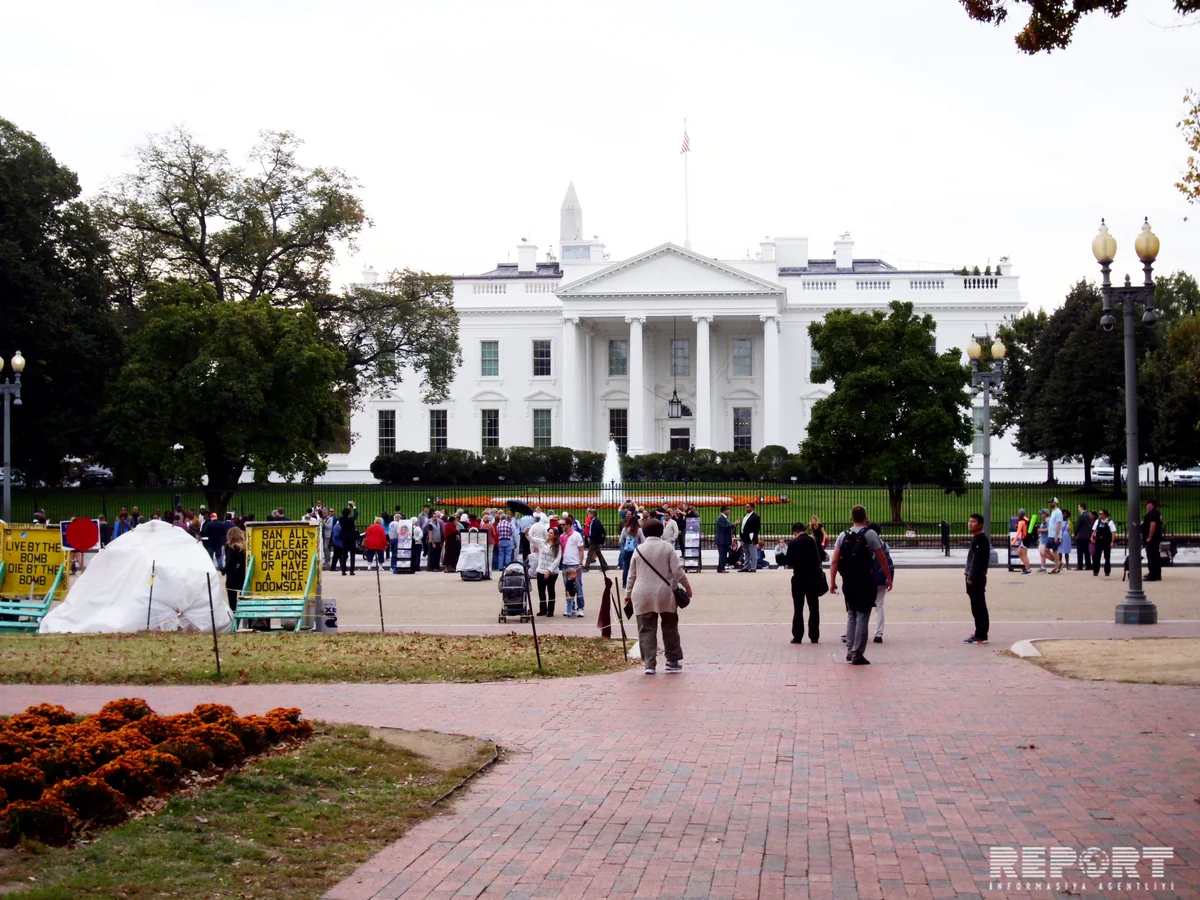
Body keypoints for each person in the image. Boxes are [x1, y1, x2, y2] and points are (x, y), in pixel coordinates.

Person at [624, 518, 692, 674]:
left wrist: (627, 594)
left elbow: (631, 575)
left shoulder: (638, 549)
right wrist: (687, 587)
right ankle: (672, 660)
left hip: (641, 594)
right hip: (665, 593)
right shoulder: (667, 548)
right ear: (661, 531)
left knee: (646, 629)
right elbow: (677, 572)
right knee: (670, 627)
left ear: (644, 532)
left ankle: (649, 664)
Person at [829, 505, 891, 665]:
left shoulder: (843, 535)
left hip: (848, 580)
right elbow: (881, 558)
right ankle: (858, 652)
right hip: (865, 579)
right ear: (865, 517)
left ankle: (850, 649)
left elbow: (834, 560)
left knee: (852, 614)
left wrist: (832, 581)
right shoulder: (870, 534)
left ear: (852, 517)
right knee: (863, 615)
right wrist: (888, 577)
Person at [784, 522, 823, 643]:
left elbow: (789, 561)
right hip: (813, 577)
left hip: (799, 578)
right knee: (814, 607)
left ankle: (798, 635)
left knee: (798, 608)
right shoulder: (815, 541)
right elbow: (822, 556)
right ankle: (814, 635)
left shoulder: (793, 543)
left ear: (795, 532)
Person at [964, 513, 991, 644]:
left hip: (976, 577)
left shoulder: (980, 540)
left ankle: (981, 634)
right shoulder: (977, 539)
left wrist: (970, 576)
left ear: (980, 524)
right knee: (976, 605)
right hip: (974, 576)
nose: (970, 524)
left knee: (979, 606)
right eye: (969, 521)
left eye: (973, 522)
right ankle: (979, 631)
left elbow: (977, 561)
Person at [869, 523, 895, 644]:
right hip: (881, 578)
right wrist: (889, 578)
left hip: (867, 579)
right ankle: (878, 633)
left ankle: (860, 631)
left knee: (864, 607)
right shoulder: (885, 546)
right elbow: (888, 563)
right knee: (879, 606)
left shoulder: (865, 544)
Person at [560, 513, 586, 617]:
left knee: (578, 586)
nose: (562, 526)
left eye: (564, 524)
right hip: (565, 564)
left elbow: (581, 550)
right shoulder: (562, 536)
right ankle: (570, 607)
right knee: (567, 587)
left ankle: (580, 607)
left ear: (569, 525)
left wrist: (580, 563)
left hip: (575, 563)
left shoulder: (576, 535)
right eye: (561, 525)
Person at [535, 526, 561, 616]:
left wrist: (549, 571)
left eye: (551, 533)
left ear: (555, 535)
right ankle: (543, 609)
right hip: (540, 570)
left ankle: (550, 610)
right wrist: (527, 534)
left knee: (550, 590)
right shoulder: (542, 543)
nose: (549, 534)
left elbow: (557, 560)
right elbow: (532, 539)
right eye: (548, 532)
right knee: (541, 591)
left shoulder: (558, 546)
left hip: (552, 573)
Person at [224, 526, 247, 613]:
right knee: (244, 598)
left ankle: (233, 614)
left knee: (232, 601)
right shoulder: (246, 547)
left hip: (232, 577)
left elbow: (229, 563)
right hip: (243, 575)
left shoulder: (230, 547)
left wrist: (224, 570)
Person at [618, 514, 642, 588]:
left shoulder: (625, 529)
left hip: (627, 550)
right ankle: (635, 582)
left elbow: (620, 540)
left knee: (626, 567)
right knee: (637, 567)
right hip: (636, 550)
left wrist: (626, 542)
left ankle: (625, 583)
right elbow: (643, 540)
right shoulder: (639, 529)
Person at [1143, 499, 1163, 581]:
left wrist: (1149, 537)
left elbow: (1153, 525)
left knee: (1151, 556)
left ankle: (1153, 574)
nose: (1146, 506)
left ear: (1151, 505)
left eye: (1147, 504)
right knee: (1155, 556)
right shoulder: (1157, 513)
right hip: (1156, 537)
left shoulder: (1152, 513)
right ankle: (1156, 573)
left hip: (1152, 538)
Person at [1092, 508, 1115, 576]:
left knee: (1107, 556)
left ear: (1105, 515)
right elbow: (1094, 530)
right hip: (1099, 541)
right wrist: (1092, 537)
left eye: (1101, 514)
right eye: (1099, 514)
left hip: (1106, 541)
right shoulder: (1097, 521)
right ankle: (1096, 571)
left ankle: (1107, 571)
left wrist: (1112, 541)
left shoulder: (1110, 522)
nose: (1100, 515)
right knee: (1097, 556)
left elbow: (1113, 532)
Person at [739, 502, 761, 573]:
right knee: (746, 553)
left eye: (747, 507)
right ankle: (746, 566)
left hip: (751, 538)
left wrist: (754, 539)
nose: (746, 508)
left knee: (753, 554)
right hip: (744, 538)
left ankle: (753, 567)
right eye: (746, 507)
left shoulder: (756, 517)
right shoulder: (745, 515)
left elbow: (756, 529)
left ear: (752, 508)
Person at [337, 506, 359, 576]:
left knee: (344, 554)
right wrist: (354, 507)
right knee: (352, 555)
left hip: (344, 538)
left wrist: (348, 508)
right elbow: (356, 515)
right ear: (349, 513)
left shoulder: (340, 519)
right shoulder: (351, 520)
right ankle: (352, 570)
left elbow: (345, 514)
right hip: (351, 538)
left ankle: (343, 570)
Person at [1012, 509, 1032, 575]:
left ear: (1020, 514)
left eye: (1018, 513)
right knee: (1020, 553)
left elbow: (1018, 532)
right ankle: (1028, 568)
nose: (1017, 515)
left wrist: (1014, 542)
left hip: (1025, 539)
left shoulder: (1021, 521)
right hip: (1027, 539)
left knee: (1023, 555)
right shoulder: (1027, 520)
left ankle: (1028, 569)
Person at [1046, 498, 1064, 574]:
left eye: (1051, 502)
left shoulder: (1058, 512)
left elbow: (1059, 524)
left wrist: (1057, 536)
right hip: (1051, 535)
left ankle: (1056, 567)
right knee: (1046, 550)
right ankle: (1058, 563)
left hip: (1054, 535)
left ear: (1055, 503)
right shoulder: (1054, 512)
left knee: (1055, 551)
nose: (1050, 504)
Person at [714, 505, 734, 573]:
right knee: (722, 555)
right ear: (724, 511)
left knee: (723, 555)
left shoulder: (724, 518)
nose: (729, 511)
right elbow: (724, 527)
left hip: (724, 540)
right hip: (721, 540)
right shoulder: (721, 518)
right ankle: (721, 568)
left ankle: (720, 567)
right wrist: (733, 525)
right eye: (728, 510)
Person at [1075, 504, 1093, 571]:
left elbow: (1078, 526)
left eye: (1079, 507)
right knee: (1086, 551)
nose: (1078, 508)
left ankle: (1080, 566)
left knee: (1080, 552)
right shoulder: (1088, 516)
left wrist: (1076, 533)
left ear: (1081, 508)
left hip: (1081, 536)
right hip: (1087, 536)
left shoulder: (1081, 516)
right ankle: (1088, 565)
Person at [1035, 508, 1050, 572]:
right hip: (1042, 539)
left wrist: (1041, 530)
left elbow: (1050, 529)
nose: (1040, 515)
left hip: (1046, 539)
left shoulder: (1048, 520)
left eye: (1042, 513)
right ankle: (1042, 566)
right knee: (1041, 553)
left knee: (1044, 553)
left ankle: (1056, 562)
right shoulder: (1044, 520)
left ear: (1045, 514)